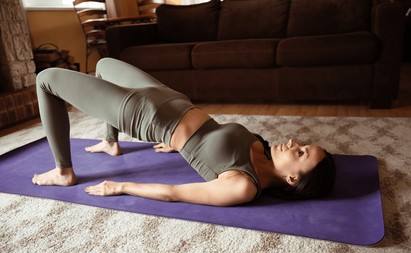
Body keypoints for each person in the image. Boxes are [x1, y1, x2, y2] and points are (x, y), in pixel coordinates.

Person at [32, 58, 336, 206]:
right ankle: (110, 142)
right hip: (168, 96)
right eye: (302, 144)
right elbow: (208, 145)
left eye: (301, 152)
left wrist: (121, 186)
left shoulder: (243, 186)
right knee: (103, 63)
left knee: (46, 79)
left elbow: (174, 193)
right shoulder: (263, 148)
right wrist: (183, 147)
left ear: (293, 178)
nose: (295, 142)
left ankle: (63, 171)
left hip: (144, 114)